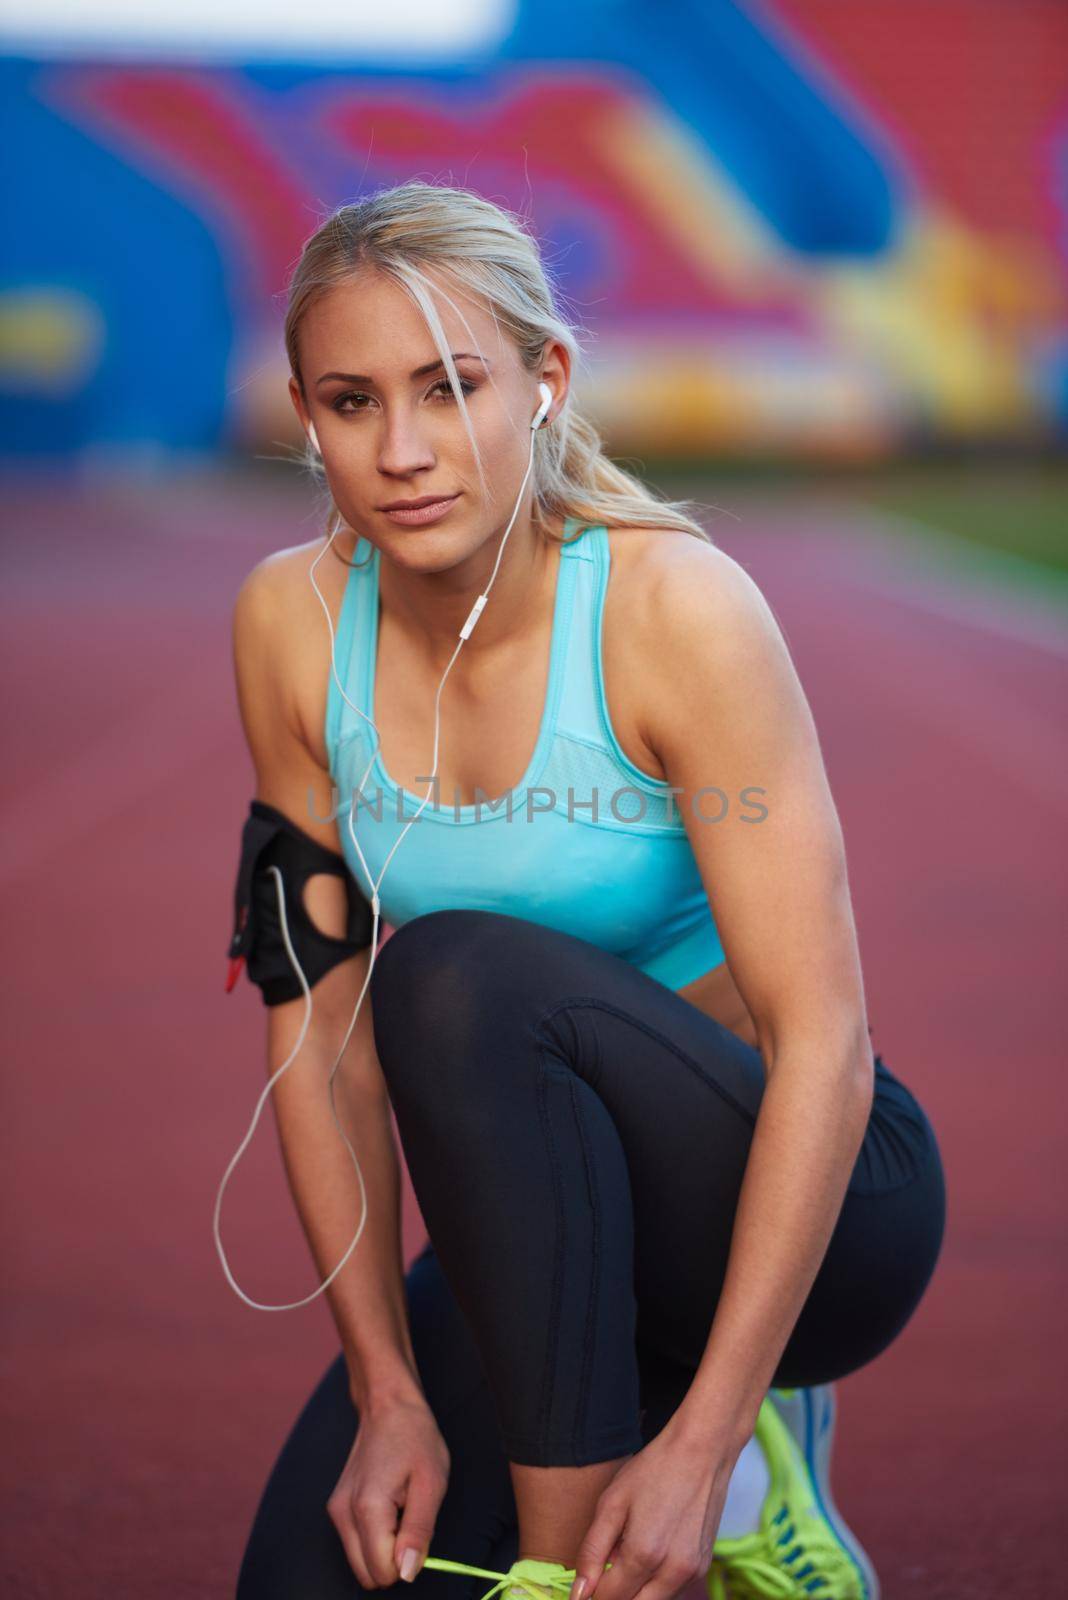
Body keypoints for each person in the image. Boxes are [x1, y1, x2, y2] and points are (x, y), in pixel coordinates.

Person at [227, 182, 945, 1600]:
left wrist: (700, 1438)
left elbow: (824, 1043)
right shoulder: (287, 625)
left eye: (453, 387)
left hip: (806, 1203)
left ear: (546, 382)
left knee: (459, 974)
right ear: (307, 418)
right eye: (355, 402)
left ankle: (711, 1483)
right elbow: (315, 1031)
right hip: (551, 1223)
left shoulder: (679, 609)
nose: (407, 450)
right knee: (303, 1580)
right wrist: (386, 1391)